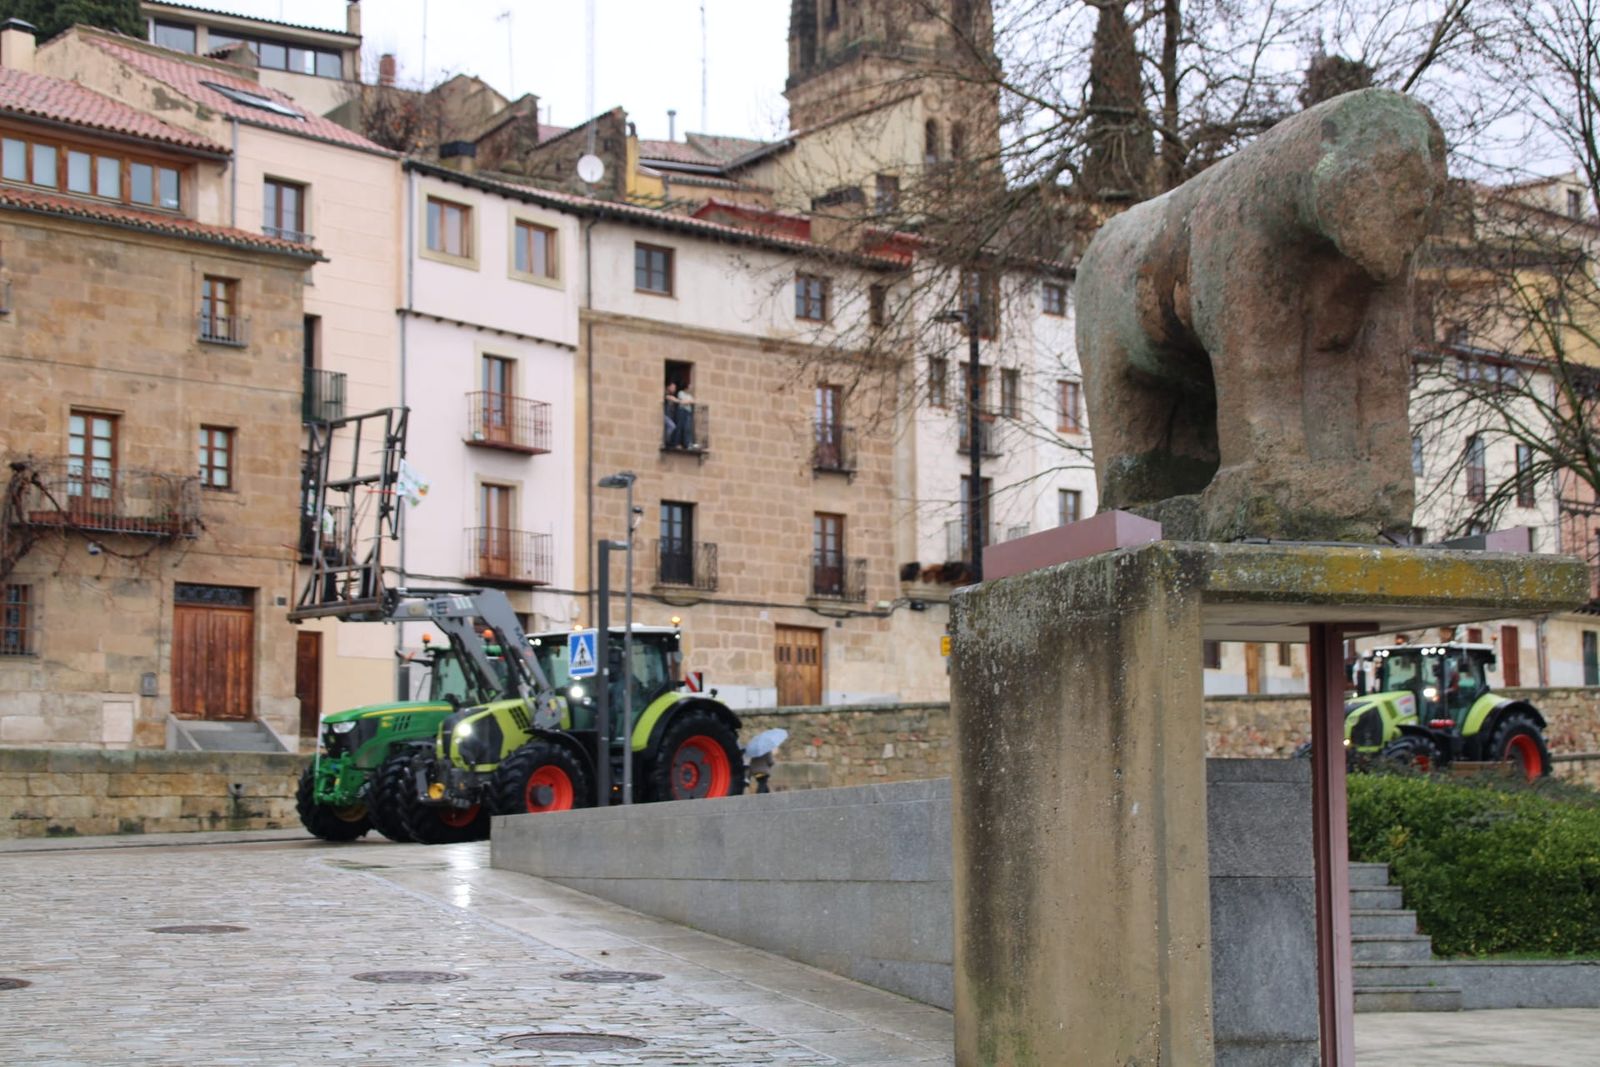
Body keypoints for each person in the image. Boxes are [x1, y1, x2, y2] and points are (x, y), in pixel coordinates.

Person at [674, 382, 696, 449]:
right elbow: (682, 402)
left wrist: (687, 401)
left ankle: (687, 444)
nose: (691, 388)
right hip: (682, 412)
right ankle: (677, 443)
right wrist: (688, 401)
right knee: (680, 427)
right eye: (690, 386)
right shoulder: (680, 393)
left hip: (688, 413)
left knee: (687, 428)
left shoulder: (689, 396)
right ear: (686, 387)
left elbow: (693, 401)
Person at [663, 383, 680, 447]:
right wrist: (680, 401)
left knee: (671, 427)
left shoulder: (670, 395)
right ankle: (667, 441)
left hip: (668, 416)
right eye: (673, 387)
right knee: (672, 426)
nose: (674, 389)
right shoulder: (665, 392)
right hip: (664, 415)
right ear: (669, 386)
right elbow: (669, 398)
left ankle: (669, 441)